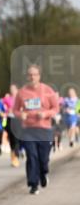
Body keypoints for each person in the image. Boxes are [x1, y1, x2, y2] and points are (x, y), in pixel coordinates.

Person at [12, 64, 59, 195]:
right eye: (30, 74)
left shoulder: (48, 90)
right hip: (28, 130)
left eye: (35, 74)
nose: (32, 77)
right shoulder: (22, 92)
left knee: (43, 159)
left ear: (39, 76)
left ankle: (43, 173)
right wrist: (20, 114)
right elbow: (15, 110)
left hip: (45, 129)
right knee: (32, 157)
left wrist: (45, 114)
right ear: (27, 76)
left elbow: (55, 108)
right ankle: (33, 184)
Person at [3, 84, 22, 167]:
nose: (12, 91)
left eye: (14, 89)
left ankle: (16, 158)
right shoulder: (6, 99)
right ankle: (13, 157)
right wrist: (7, 110)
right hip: (10, 119)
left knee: (17, 139)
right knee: (11, 139)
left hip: (18, 120)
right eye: (11, 89)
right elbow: (2, 108)